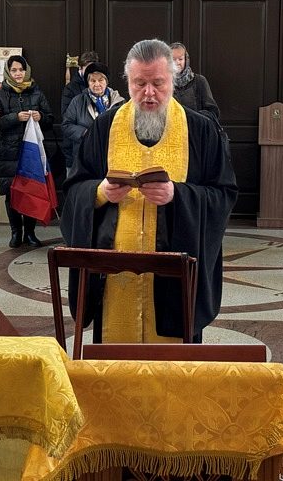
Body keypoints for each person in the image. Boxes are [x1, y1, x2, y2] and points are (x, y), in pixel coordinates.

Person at [61, 38, 237, 344]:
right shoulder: (104, 127)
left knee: (171, 367)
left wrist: (177, 196)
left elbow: (223, 195)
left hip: (174, 283)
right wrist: (99, 192)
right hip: (114, 279)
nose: (149, 93)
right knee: (115, 368)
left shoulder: (201, 130)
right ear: (127, 82)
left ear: (173, 80)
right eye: (139, 83)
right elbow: (74, 189)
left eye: (158, 83)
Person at [0, 55, 54, 248]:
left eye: (21, 70)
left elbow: (50, 119)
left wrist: (41, 116)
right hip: (8, 153)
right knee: (12, 193)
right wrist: (15, 118)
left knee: (31, 190)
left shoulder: (36, 92)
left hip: (30, 151)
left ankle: (30, 233)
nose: (18, 73)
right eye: (14, 70)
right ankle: (16, 232)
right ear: (8, 72)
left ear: (27, 71)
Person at [61, 62, 124, 170]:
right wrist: (85, 132)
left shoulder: (119, 102)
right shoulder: (78, 101)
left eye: (101, 80)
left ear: (106, 82)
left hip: (112, 157)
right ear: (88, 83)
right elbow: (66, 125)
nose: (97, 84)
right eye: (93, 81)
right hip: (85, 157)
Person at [169, 42, 220, 120]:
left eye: (180, 59)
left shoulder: (199, 81)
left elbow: (212, 111)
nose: (177, 62)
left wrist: (193, 117)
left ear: (186, 60)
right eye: (173, 59)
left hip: (196, 126)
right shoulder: (162, 83)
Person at [61, 50, 99, 116]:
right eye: (87, 68)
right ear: (80, 68)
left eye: (93, 69)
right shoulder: (70, 88)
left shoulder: (100, 85)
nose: (90, 72)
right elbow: (66, 115)